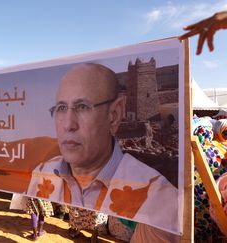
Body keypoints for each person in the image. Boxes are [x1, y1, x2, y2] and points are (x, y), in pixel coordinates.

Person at [26, 63, 180, 240]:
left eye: (83, 106)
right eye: (61, 108)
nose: (68, 124)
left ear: (114, 115)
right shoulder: (42, 173)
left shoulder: (159, 196)